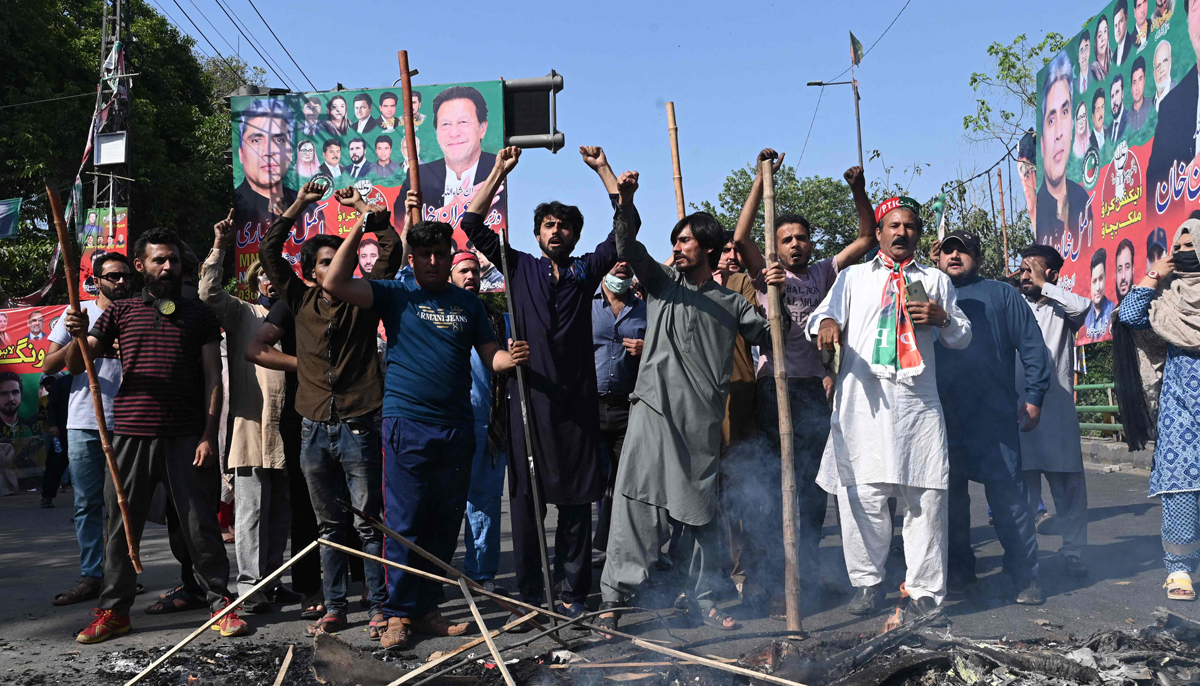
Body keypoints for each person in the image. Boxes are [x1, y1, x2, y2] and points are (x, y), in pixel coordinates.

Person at [323, 203, 528, 648]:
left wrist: (507, 359)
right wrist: (362, 226)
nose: (434, 261)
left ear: (448, 253)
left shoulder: (468, 304)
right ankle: (396, 614)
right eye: (425, 254)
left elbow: (490, 355)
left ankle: (427, 608)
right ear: (412, 259)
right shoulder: (395, 295)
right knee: (404, 523)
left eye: (440, 253)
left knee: (442, 522)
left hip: (457, 428)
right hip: (407, 424)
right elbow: (334, 282)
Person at [596, 169, 777, 635]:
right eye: (675, 240)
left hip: (701, 426)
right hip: (652, 415)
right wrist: (623, 197)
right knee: (633, 509)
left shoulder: (732, 303)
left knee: (701, 518)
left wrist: (769, 285)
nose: (676, 247)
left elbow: (776, 338)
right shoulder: (659, 283)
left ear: (709, 250)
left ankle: (707, 600)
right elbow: (627, 247)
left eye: (685, 241)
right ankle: (613, 600)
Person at [460, 145, 624, 623]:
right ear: (537, 234)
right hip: (528, 405)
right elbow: (471, 226)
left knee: (576, 509)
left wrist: (604, 171)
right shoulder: (520, 266)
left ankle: (574, 595)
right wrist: (497, 171)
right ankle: (531, 598)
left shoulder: (583, 272)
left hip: (576, 409)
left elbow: (624, 231)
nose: (556, 231)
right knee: (529, 509)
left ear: (574, 235)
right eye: (549, 225)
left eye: (564, 225)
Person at [68, 227, 247, 643]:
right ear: (140, 266)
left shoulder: (200, 314)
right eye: (158, 260)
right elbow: (79, 365)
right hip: (130, 435)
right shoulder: (119, 311)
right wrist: (79, 330)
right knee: (120, 525)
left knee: (199, 524)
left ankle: (221, 603)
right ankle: (115, 611)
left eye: (173, 260)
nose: (168, 267)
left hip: (187, 436)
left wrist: (208, 434)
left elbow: (212, 377)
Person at [729, 151, 878, 615]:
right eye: (787, 239)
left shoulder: (824, 272)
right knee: (775, 488)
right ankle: (773, 582)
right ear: (776, 246)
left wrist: (858, 191)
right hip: (775, 389)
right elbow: (739, 237)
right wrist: (759, 180)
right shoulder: (766, 276)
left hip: (813, 390)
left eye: (801, 238)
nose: (795, 245)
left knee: (814, 488)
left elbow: (868, 238)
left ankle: (806, 577)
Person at [808, 196, 972, 618]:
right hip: (863, 402)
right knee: (861, 496)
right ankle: (867, 584)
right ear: (879, 233)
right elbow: (821, 318)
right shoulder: (853, 278)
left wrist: (942, 318)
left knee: (926, 498)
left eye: (910, 227)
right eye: (893, 226)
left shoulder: (936, 280)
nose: (902, 232)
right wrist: (827, 325)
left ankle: (924, 591)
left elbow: (962, 337)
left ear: (919, 235)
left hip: (917, 403)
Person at [259, 180, 403, 637]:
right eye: (325, 262)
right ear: (311, 272)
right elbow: (268, 250)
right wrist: (300, 204)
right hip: (313, 427)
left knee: (368, 522)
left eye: (339, 259)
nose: (334, 266)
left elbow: (391, 248)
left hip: (361, 423)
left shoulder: (366, 301)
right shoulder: (298, 300)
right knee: (328, 527)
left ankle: (379, 606)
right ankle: (334, 606)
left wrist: (362, 209)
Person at [933, 231, 1051, 605]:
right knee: (949, 502)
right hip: (939, 416)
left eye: (963, 250)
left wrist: (1034, 396)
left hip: (993, 414)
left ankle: (1023, 575)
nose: (954, 255)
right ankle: (959, 575)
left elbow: (1032, 346)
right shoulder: (924, 294)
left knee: (1009, 500)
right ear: (937, 258)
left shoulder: (1002, 294)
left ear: (978, 259)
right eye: (948, 250)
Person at [200, 211, 297, 615]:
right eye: (264, 277)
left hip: (293, 428)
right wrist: (220, 245)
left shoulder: (296, 313)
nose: (271, 283)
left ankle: (272, 584)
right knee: (251, 513)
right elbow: (207, 293)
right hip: (252, 428)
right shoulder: (243, 313)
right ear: (256, 282)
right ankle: (249, 588)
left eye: (277, 277)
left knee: (281, 515)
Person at [1118, 218, 1200, 600]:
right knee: (1181, 486)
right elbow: (1131, 315)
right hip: (1181, 406)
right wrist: (1154, 274)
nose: (1183, 251)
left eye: (1191, 244)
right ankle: (1179, 570)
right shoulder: (1169, 297)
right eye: (1178, 246)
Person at [43, 253, 131, 607]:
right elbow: (48, 365)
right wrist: (78, 339)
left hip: (127, 423)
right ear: (96, 280)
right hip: (83, 422)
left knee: (122, 505)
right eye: (113, 276)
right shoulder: (78, 315)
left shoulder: (137, 313)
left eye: (126, 276)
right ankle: (92, 575)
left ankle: (120, 575)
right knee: (87, 503)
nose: (121, 282)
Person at [1016, 244, 1092, 578]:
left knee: (1069, 489)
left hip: (1057, 412)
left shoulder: (1063, 310)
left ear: (1052, 274)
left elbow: (1085, 305)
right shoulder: (1014, 305)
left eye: (1032, 268)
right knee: (1022, 493)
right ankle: (1025, 558)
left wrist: (1044, 286)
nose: (1025, 275)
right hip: (1018, 412)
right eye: (1021, 269)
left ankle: (1074, 551)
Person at [245, 297, 324, 620]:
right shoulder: (290, 301)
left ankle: (366, 587)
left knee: (356, 509)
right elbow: (256, 348)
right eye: (324, 263)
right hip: (296, 414)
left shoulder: (355, 294)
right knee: (302, 507)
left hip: (352, 412)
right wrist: (305, 364)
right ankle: (304, 589)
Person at [447, 251, 512, 592]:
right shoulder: (436, 313)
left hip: (487, 421)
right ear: (451, 275)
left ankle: (480, 574)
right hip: (443, 422)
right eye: (463, 270)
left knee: (484, 500)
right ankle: (434, 574)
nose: (470, 275)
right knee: (440, 501)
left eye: (474, 270)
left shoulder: (496, 319)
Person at [591, 260, 647, 570]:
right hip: (590, 406)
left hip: (628, 407)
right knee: (597, 480)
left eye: (628, 263)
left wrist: (645, 347)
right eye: (616, 261)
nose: (623, 265)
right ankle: (599, 546)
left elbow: (660, 349)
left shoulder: (643, 308)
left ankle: (617, 550)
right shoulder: (586, 303)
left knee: (626, 481)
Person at [399, 86, 499, 215]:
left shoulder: (498, 168)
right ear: (436, 133)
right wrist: (450, 211)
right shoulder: (418, 177)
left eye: (463, 122)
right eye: (445, 124)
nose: (454, 133)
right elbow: (399, 227)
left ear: (483, 128)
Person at [1038, 52, 1094, 251]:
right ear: (1042, 142)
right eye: (1051, 120)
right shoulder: (1038, 210)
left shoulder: (1083, 201)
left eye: (1065, 112)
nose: (1059, 133)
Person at [1147, 0, 1200, 192]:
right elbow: (1153, 189)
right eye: (1195, 4)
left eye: (1164, 63)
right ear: (1187, 23)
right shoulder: (1170, 107)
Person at [233, 99, 297, 240]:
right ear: (241, 154)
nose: (268, 152)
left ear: (290, 152)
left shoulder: (310, 209)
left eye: (279, 140)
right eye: (256, 140)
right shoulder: (234, 210)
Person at [39, 373, 71, 508]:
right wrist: (53, 425)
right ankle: (47, 496)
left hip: (86, 429)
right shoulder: (62, 383)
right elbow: (52, 407)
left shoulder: (90, 380)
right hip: (63, 431)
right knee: (55, 464)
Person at [1085, 248, 1115, 340]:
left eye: (1101, 279)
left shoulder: (1113, 309)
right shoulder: (1085, 315)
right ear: (1090, 284)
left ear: (1106, 278)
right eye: (1094, 281)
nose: (1098, 288)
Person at [1128, 56, 1154, 132]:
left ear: (1144, 81)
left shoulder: (1153, 105)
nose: (1137, 87)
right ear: (1131, 87)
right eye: (1134, 82)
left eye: (1140, 79)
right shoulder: (1126, 119)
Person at [1154, 40, 1175, 110]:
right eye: (1157, 66)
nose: (1162, 70)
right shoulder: (1151, 102)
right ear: (1154, 73)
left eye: (1165, 61)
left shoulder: (1179, 91)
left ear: (1170, 61)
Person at [1115, 1, 1136, 66]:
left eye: (1121, 21)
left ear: (1126, 18)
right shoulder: (1114, 57)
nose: (1118, 29)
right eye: (1115, 25)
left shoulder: (1133, 43)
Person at [1091, 15, 1112, 81]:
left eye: (1105, 31)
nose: (1103, 39)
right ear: (1095, 40)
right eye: (1099, 35)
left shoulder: (1114, 57)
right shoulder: (1093, 70)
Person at [1110, 75, 1130, 142]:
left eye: (1117, 92)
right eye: (1112, 96)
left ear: (1122, 94)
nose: (1114, 100)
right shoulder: (1108, 130)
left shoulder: (1130, 119)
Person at [1091, 88, 1109, 156]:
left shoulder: (1110, 132)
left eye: (1102, 107)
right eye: (1098, 109)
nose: (1101, 113)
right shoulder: (1088, 142)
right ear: (1093, 116)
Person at [1077, 32, 1092, 96]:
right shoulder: (1074, 84)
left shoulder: (1095, 74)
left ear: (1090, 50)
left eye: (1086, 49)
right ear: (1078, 56)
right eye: (1081, 50)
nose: (1084, 55)